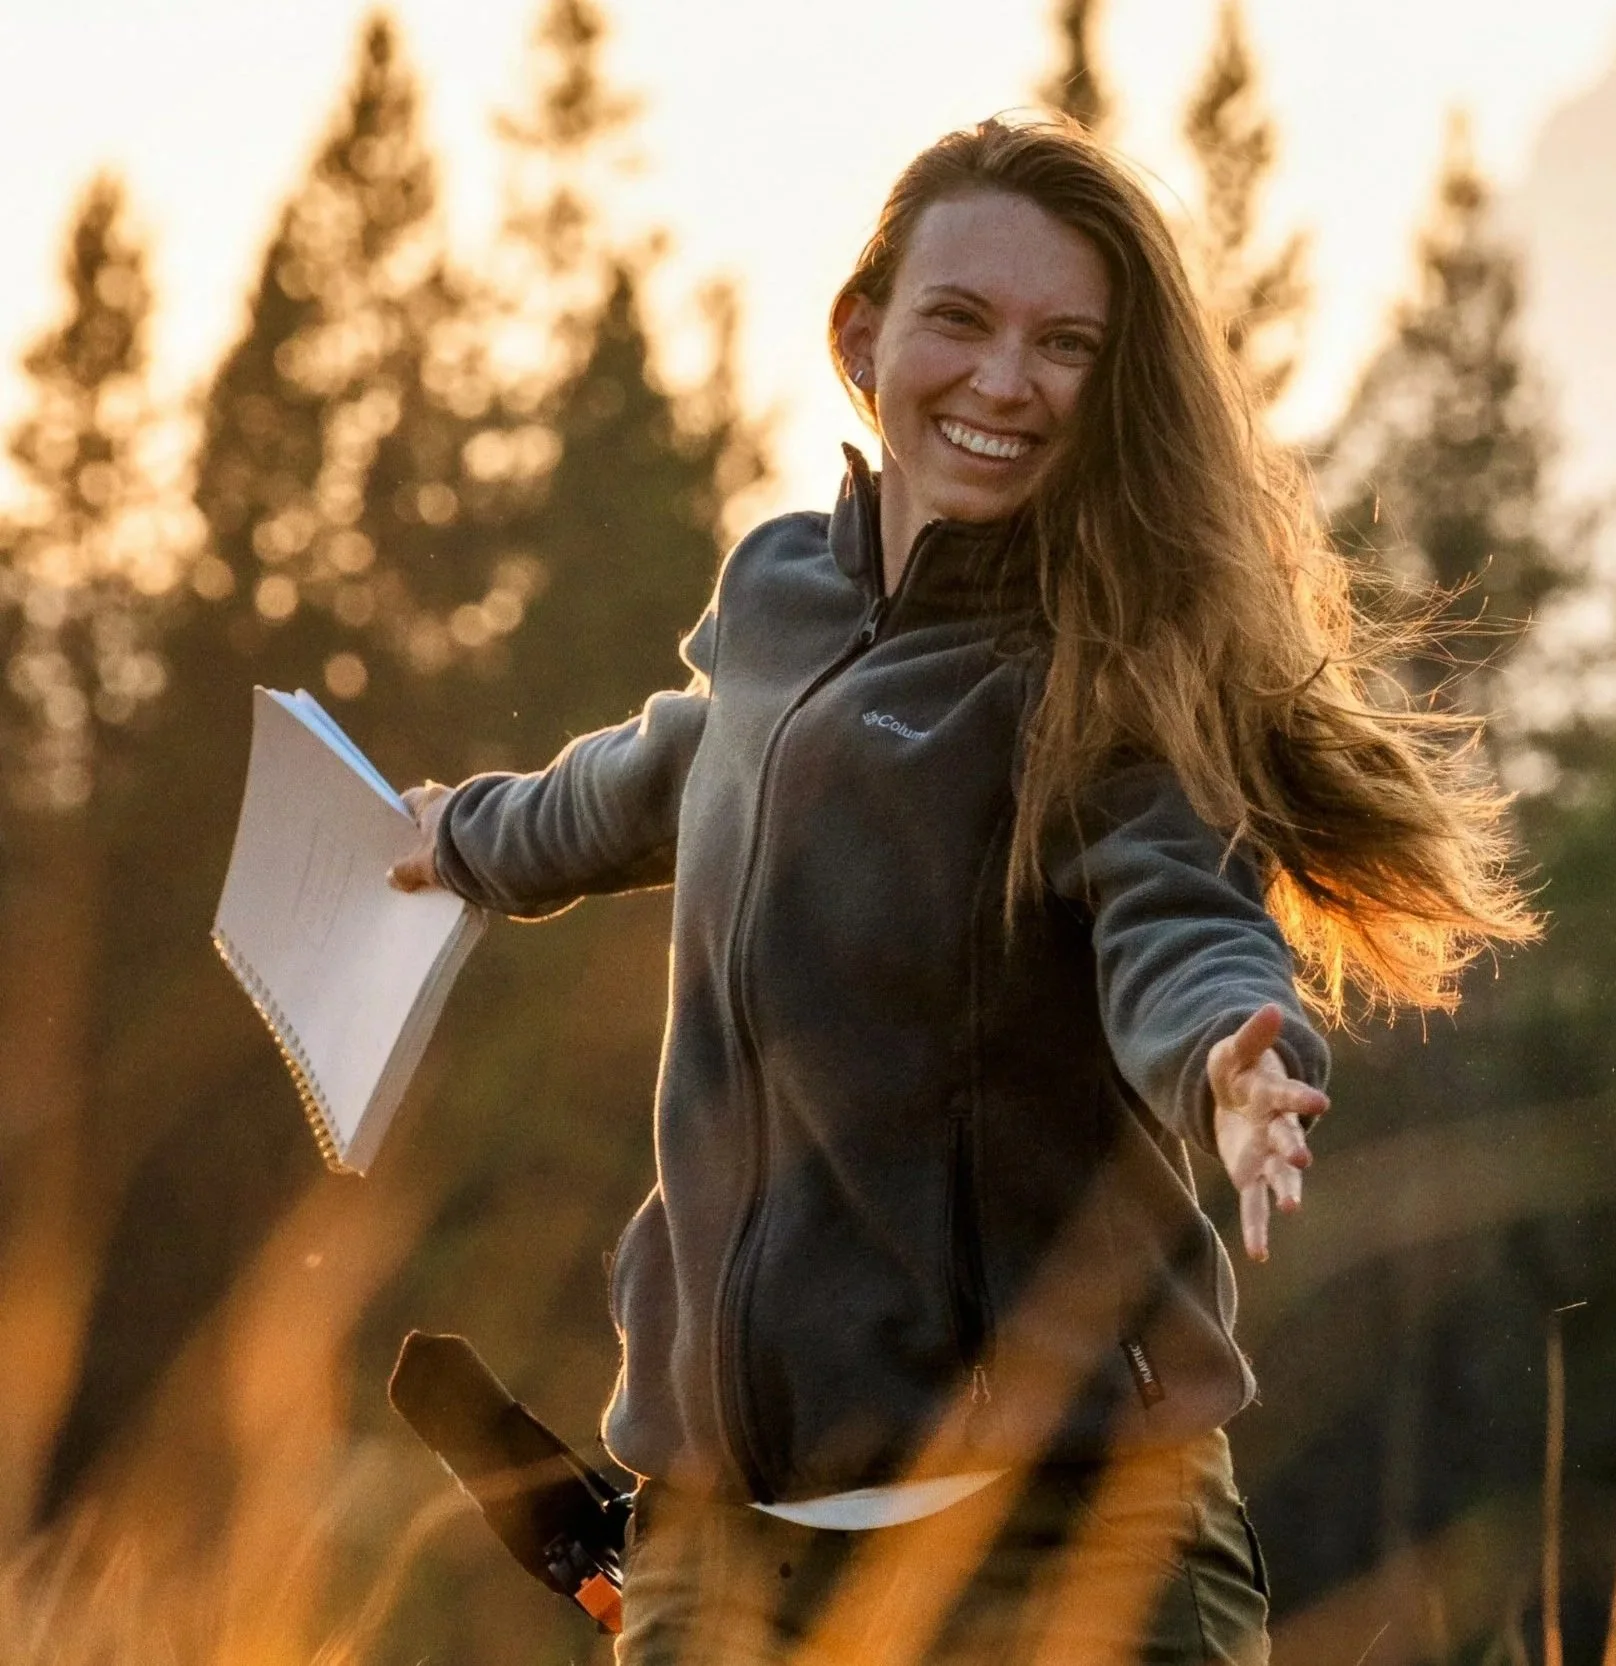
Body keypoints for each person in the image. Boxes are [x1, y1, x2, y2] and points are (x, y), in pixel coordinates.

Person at [388, 114, 1533, 1665]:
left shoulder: (1113, 682)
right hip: (719, 1551)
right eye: (962, 321)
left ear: (1113, 390)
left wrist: (1235, 1059)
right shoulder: (781, 595)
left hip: (1063, 1554)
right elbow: (659, 772)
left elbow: (1181, 922)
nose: (1006, 381)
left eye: (1066, 344)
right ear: (865, 333)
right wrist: (462, 835)